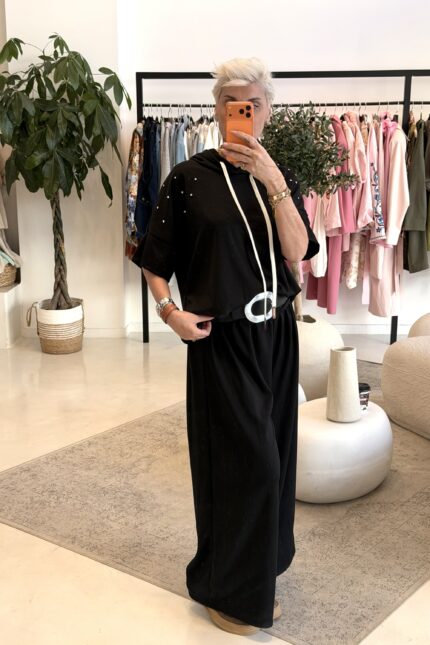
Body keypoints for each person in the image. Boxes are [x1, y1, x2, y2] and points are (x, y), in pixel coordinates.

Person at [132, 57, 319, 636]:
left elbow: (297, 252)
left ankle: (260, 571)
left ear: (267, 112)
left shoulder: (277, 176)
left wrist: (274, 181)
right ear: (218, 110)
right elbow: (154, 259)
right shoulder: (187, 178)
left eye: (254, 104)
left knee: (278, 458)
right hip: (223, 338)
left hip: (277, 332)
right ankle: (229, 590)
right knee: (245, 465)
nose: (244, 112)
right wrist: (169, 313)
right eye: (233, 103)